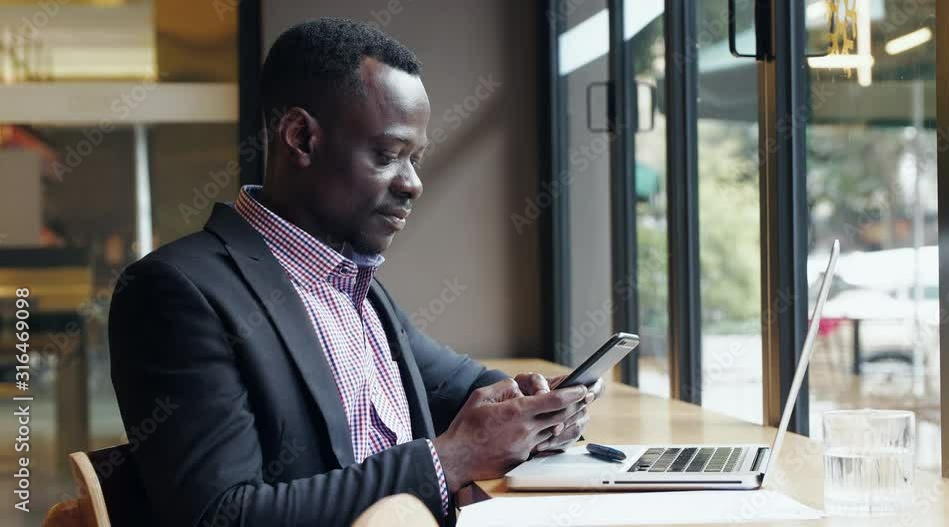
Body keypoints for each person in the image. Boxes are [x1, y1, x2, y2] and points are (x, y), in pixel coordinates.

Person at [108, 17, 603, 526]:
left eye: (416, 159)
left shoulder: (355, 287)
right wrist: (451, 458)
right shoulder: (176, 292)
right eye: (388, 156)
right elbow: (221, 516)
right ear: (300, 137)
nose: (412, 184)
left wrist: (540, 412)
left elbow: (467, 383)